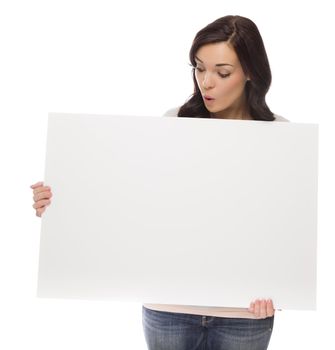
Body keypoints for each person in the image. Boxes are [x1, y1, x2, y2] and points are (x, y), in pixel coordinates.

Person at [31, 15, 287, 350]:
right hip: (169, 309)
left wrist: (281, 286)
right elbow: (132, 204)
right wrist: (61, 202)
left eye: (222, 72)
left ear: (250, 71)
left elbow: (282, 230)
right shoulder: (173, 124)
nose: (206, 82)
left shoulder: (281, 137)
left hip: (245, 313)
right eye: (199, 68)